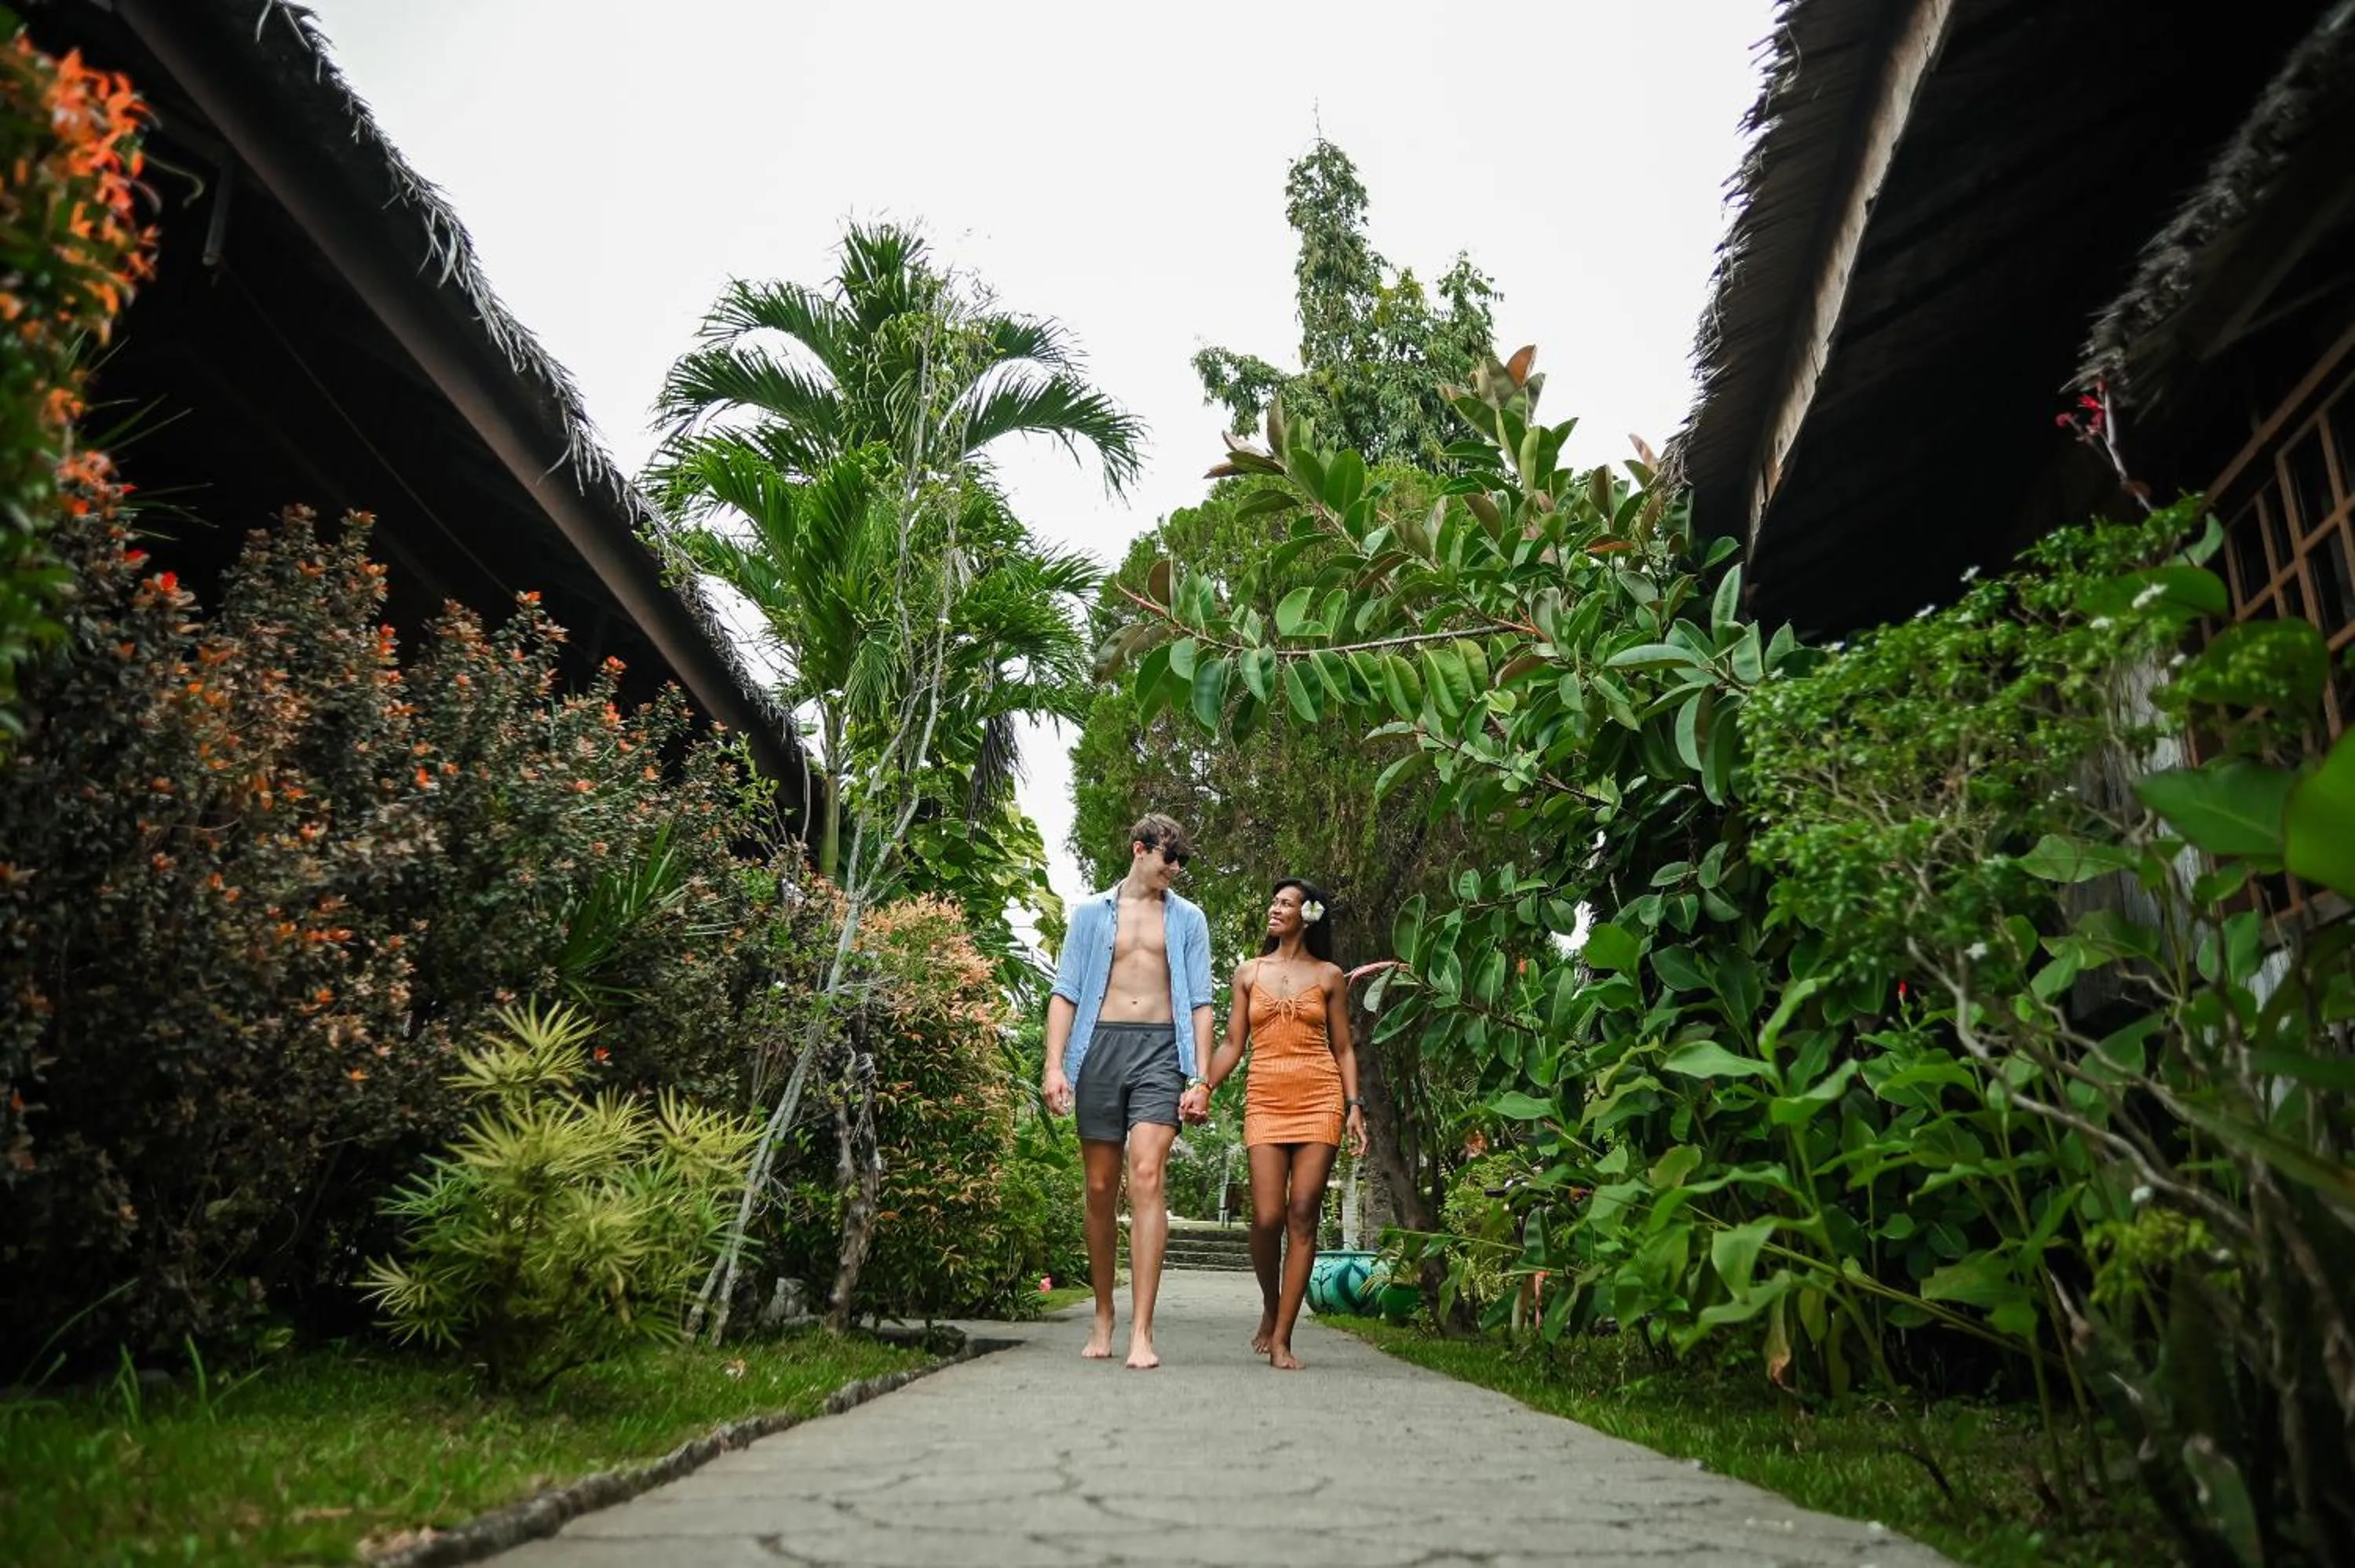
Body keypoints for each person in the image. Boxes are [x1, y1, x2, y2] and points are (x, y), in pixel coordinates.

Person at [1042, 812, 1214, 1369]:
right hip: (1099, 1049)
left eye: (1183, 861)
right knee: (1099, 1188)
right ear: (1140, 850)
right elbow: (1066, 992)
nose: (1176, 869)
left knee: (1146, 1176)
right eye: (1170, 858)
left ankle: (1142, 1331)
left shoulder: (1189, 920)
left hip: (1162, 1051)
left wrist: (1202, 1077)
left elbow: (1201, 1003)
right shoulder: (1091, 914)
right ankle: (1102, 1313)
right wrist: (1054, 1066)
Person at [1185, 877, 1367, 1370]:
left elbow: (1344, 1048)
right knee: (1266, 1218)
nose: (1275, 908)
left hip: (1320, 1097)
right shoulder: (1248, 972)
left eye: (1286, 903)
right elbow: (1231, 1044)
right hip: (1265, 1097)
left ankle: (1284, 1337)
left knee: (1303, 1212)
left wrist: (1354, 1105)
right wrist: (1204, 1085)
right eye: (1274, 901)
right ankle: (1271, 1303)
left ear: (1308, 916)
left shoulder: (1329, 975)